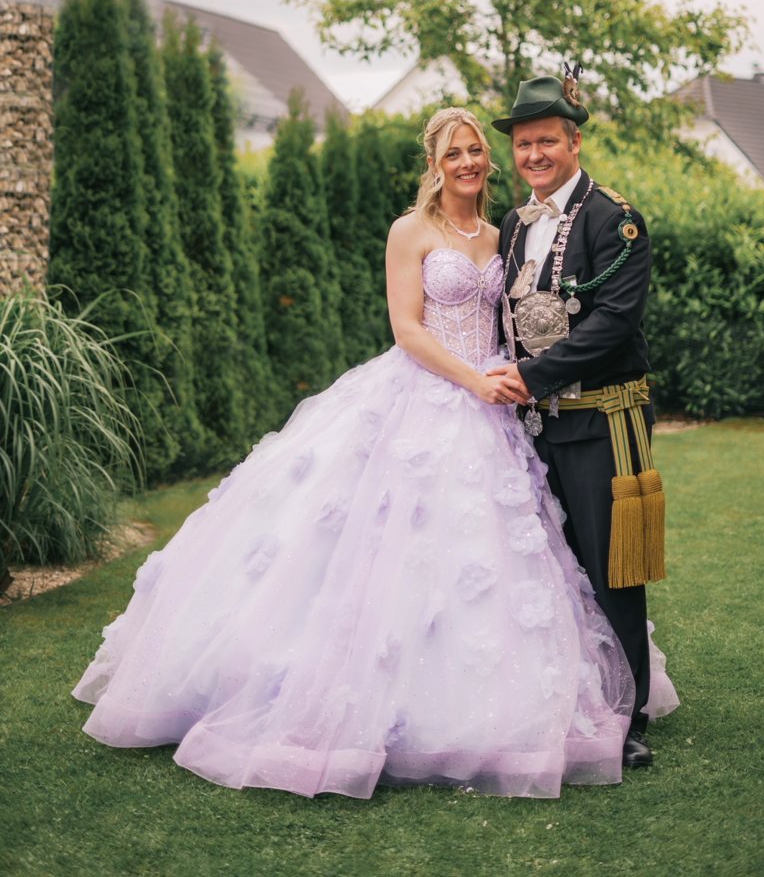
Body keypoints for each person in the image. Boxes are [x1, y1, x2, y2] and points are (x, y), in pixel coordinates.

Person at [73, 107, 676, 799]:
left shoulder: (508, 231)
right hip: (436, 392)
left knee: (529, 551)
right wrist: (476, 379)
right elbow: (408, 330)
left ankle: (594, 703)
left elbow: (541, 317)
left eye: (476, 150)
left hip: (506, 409)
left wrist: (513, 379)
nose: (469, 162)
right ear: (435, 164)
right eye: (455, 153)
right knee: (389, 547)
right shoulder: (409, 231)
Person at [488, 73, 673, 769]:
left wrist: (528, 378)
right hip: (534, 426)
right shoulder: (514, 224)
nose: (534, 155)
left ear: (574, 142)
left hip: (602, 421)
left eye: (546, 141)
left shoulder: (615, 219)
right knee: (553, 566)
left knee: (610, 566)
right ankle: (577, 701)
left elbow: (614, 322)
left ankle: (628, 716)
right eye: (523, 144)